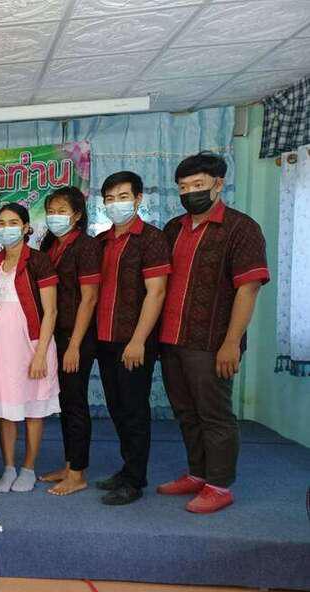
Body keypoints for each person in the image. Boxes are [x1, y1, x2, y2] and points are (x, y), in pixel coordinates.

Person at [157, 152, 270, 513]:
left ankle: (219, 486)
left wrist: (231, 343)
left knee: (214, 415)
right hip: (171, 338)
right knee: (185, 412)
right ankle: (197, 473)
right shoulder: (173, 229)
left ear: (218, 185)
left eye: (198, 185)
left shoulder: (241, 228)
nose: (190, 192)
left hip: (212, 342)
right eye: (183, 187)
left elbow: (249, 288)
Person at [95, 171, 171, 505]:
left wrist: (139, 340)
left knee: (134, 409)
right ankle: (127, 469)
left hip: (134, 341)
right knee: (116, 407)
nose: (116, 204)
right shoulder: (102, 241)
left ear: (138, 199)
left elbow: (157, 293)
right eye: (110, 199)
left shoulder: (151, 239)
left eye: (123, 197)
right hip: (105, 338)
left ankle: (135, 479)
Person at [0, 204, 60, 493]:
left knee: (33, 409)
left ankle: (28, 468)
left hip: (32, 345)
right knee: (5, 409)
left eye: (13, 222)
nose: (7, 228)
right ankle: (8, 467)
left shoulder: (39, 261)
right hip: (0, 349)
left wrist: (40, 354)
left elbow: (51, 311)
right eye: (1, 223)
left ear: (26, 227)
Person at [37, 188, 103, 497]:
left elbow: (89, 298)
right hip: (56, 334)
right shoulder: (50, 245)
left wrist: (75, 344)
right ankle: (69, 464)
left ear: (77, 215)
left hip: (77, 336)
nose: (55, 216)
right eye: (51, 210)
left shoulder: (86, 247)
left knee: (75, 402)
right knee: (65, 401)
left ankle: (78, 474)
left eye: (62, 210)